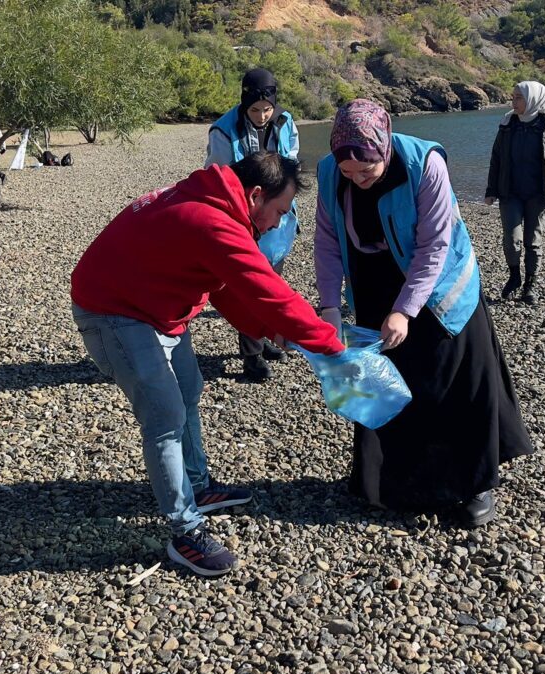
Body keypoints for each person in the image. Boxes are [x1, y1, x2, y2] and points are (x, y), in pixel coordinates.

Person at [71, 152, 344, 577]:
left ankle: (197, 487)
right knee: (165, 414)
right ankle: (185, 532)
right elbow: (268, 289)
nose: (277, 224)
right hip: (114, 311)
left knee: (189, 390)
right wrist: (333, 347)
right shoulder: (212, 219)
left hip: (158, 305)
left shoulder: (217, 202)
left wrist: (264, 328)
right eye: (280, 212)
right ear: (255, 195)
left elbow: (224, 286)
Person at [313, 99, 534, 525]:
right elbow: (326, 241)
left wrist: (405, 310)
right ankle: (400, 481)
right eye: (348, 174)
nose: (357, 181)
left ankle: (476, 486)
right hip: (373, 281)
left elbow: (434, 246)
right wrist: (328, 305)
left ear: (385, 147)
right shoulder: (329, 173)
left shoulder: (424, 164)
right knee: (389, 385)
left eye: (367, 172)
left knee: (453, 382)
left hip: (439, 286)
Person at [205, 68, 301, 383]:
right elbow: (218, 175)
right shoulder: (223, 131)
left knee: (274, 283)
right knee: (250, 288)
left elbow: (293, 162)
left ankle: (265, 340)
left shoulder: (287, 123)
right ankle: (251, 357)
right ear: (244, 104)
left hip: (279, 219)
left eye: (267, 110)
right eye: (255, 110)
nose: (261, 116)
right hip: (244, 218)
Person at [484, 81, 545, 306]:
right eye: (513, 97)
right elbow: (496, 159)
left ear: (533, 99)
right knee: (511, 240)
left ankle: (530, 286)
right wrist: (490, 190)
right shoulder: (507, 125)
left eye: (518, 98)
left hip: (539, 195)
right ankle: (514, 277)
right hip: (510, 193)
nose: (513, 102)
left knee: (532, 242)